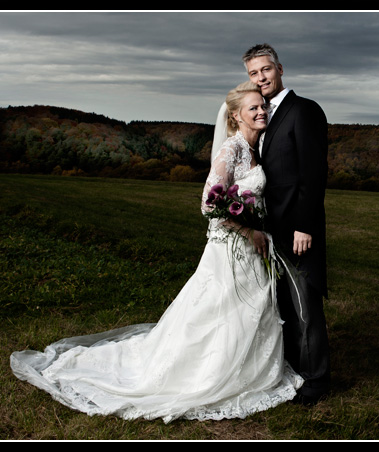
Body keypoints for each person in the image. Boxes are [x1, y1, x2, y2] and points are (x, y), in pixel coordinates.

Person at [9, 83, 304, 423]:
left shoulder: (257, 148)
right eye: (252, 108)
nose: (261, 111)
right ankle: (205, 372)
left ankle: (250, 369)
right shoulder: (231, 149)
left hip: (254, 247)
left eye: (262, 106)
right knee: (216, 311)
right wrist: (247, 229)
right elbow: (210, 204)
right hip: (231, 247)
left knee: (249, 309)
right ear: (236, 116)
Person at [241, 43, 330, 406]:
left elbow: (313, 173)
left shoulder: (304, 110)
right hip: (273, 230)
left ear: (280, 68)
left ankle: (316, 382)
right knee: (286, 306)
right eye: (253, 73)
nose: (261, 78)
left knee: (305, 306)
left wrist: (305, 226)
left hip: (298, 229)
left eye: (266, 70)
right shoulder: (266, 115)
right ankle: (294, 370)